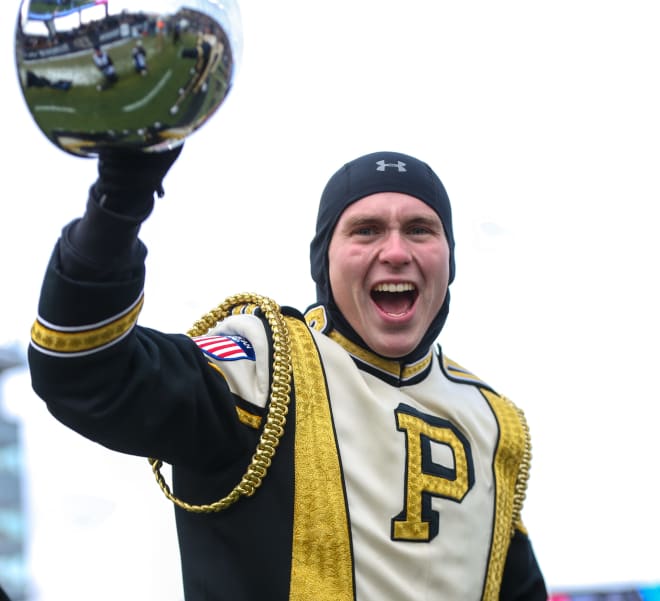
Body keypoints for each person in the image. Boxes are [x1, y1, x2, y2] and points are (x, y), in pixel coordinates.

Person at [27, 147, 547, 600]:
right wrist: (116, 210)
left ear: (449, 260)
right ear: (325, 261)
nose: (395, 252)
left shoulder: (496, 423)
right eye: (365, 231)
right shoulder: (266, 362)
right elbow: (81, 369)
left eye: (420, 230)